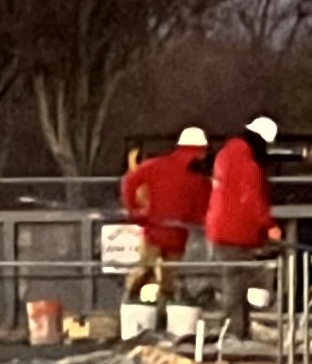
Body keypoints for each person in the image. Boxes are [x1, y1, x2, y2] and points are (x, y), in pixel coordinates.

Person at [118, 128, 215, 307]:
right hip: (177, 235)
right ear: (201, 151)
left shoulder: (156, 166)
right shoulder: (200, 180)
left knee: (142, 271)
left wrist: (134, 209)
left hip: (155, 231)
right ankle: (163, 315)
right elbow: (202, 210)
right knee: (168, 281)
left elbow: (129, 181)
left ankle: (129, 307)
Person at [203, 117, 279, 254]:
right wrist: (270, 226)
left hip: (217, 230)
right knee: (246, 273)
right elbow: (253, 199)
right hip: (238, 235)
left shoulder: (224, 155)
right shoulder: (248, 166)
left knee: (228, 273)